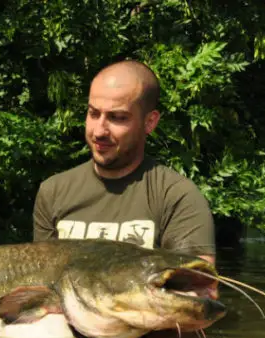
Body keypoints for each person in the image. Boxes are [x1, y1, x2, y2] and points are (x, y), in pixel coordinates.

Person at [33, 60, 216, 265]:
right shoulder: (53, 192)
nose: (99, 131)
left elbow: (196, 285)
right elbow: (44, 281)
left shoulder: (177, 197)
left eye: (117, 118)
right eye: (93, 113)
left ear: (150, 122)